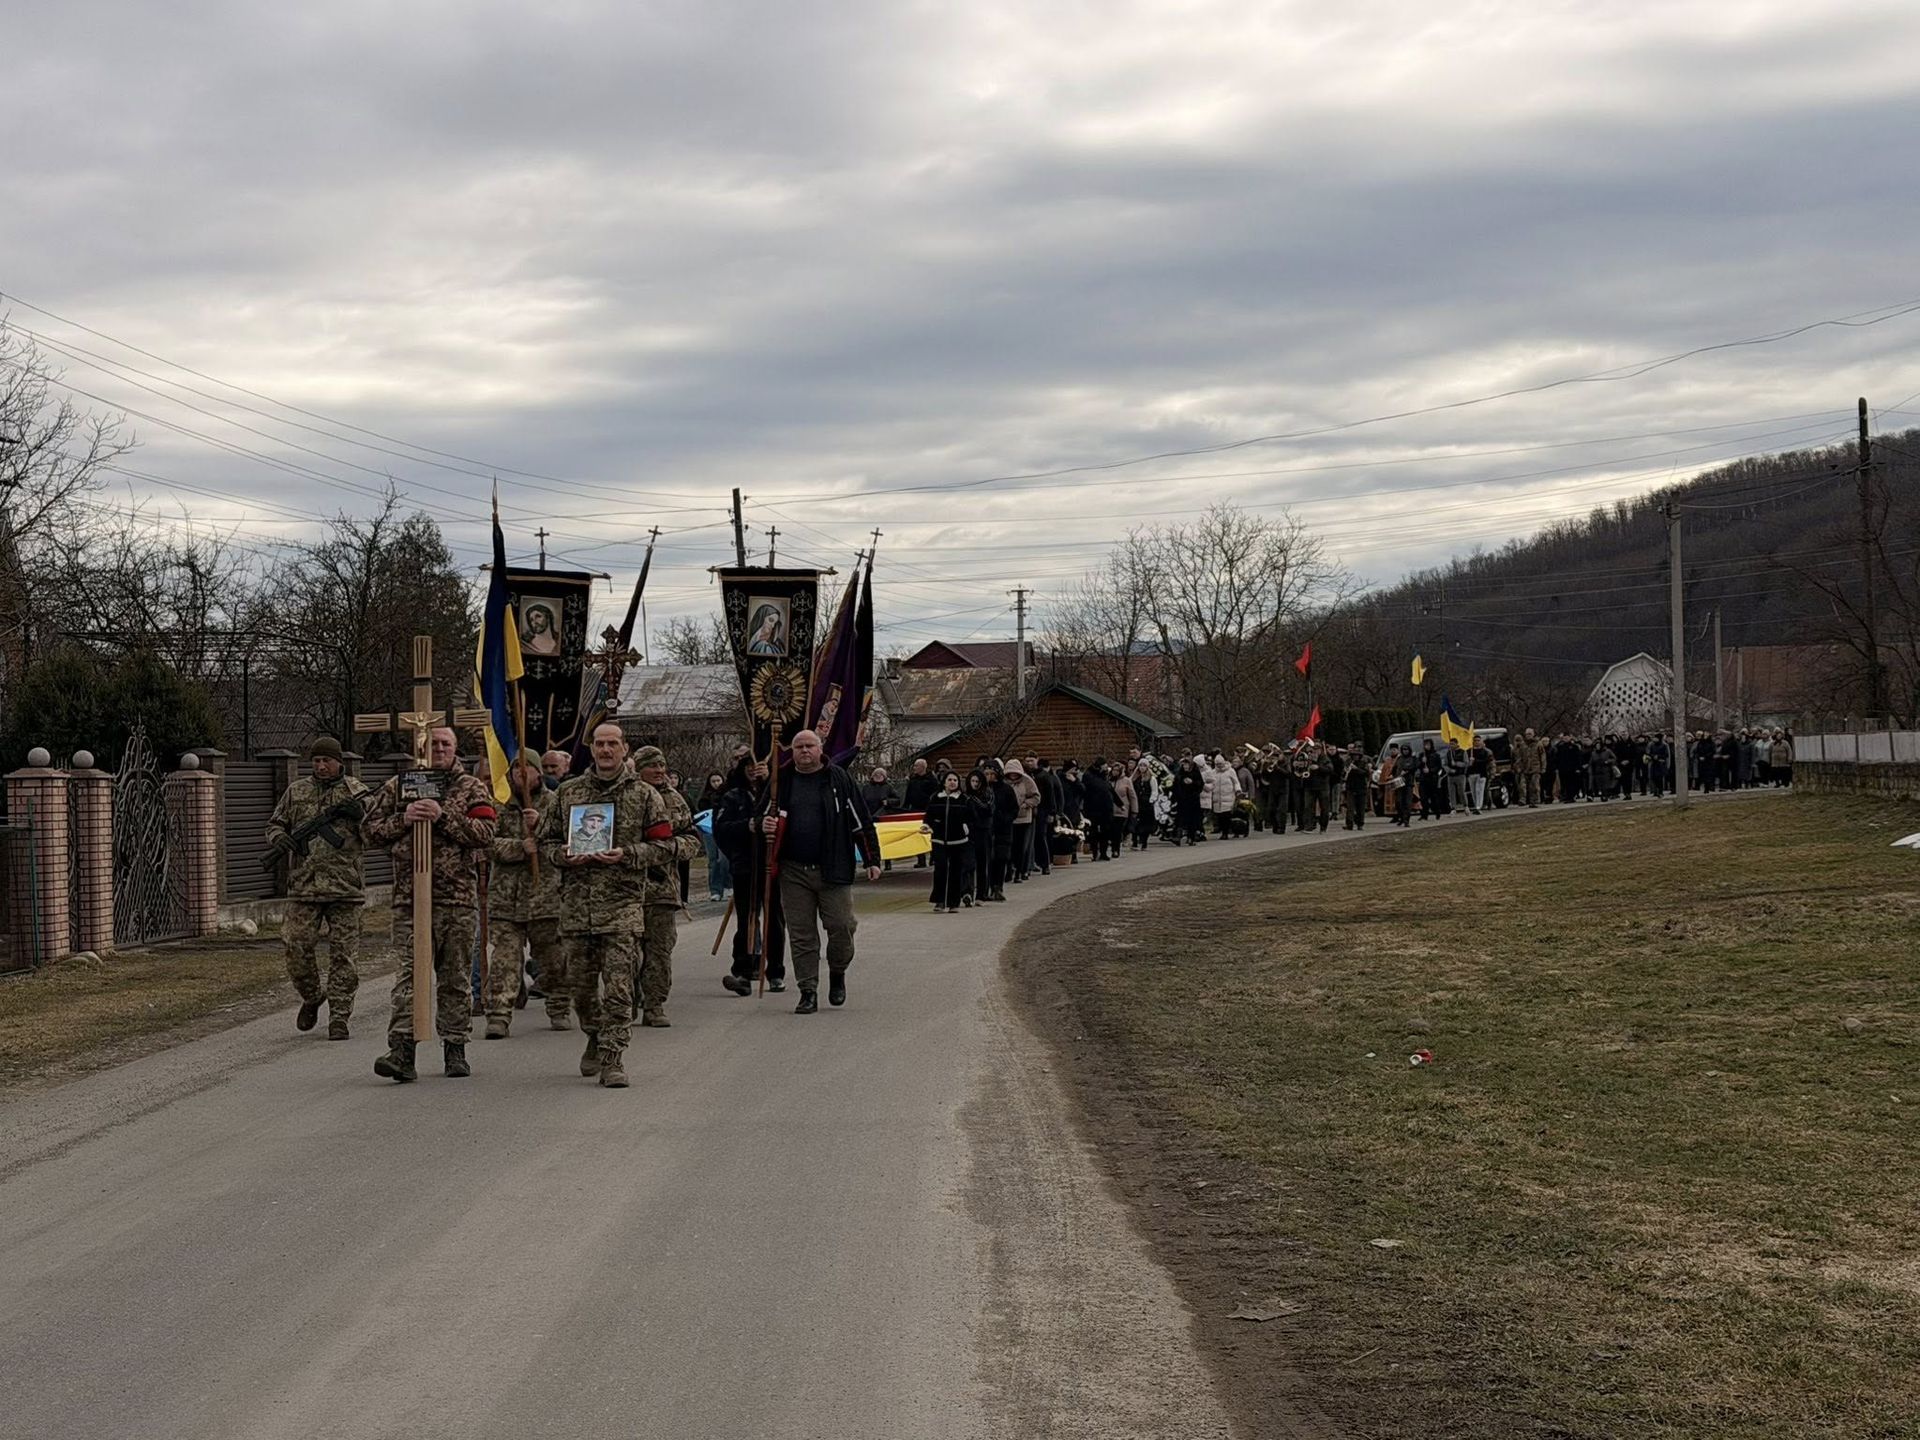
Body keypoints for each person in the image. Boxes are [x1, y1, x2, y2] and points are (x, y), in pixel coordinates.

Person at [540, 721, 678, 1088]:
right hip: (576, 909)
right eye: (599, 744)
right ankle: (594, 1035)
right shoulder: (568, 793)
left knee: (619, 987)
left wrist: (628, 854)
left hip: (623, 906)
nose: (605, 750)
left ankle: (614, 1057)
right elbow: (544, 843)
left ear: (624, 749)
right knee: (582, 991)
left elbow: (668, 845)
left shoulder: (645, 795)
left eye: (612, 744)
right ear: (592, 749)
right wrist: (564, 855)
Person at [363, 726, 498, 1083]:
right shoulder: (399, 785)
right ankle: (402, 1050)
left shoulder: (471, 787)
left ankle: (455, 1047)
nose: (439, 748)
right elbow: (368, 830)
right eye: (433, 743)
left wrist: (444, 816)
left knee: (453, 977)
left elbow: (485, 834)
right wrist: (401, 820)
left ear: (456, 748)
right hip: (410, 900)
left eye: (445, 743)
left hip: (456, 899)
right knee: (408, 976)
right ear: (420, 746)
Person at [762, 729, 882, 1014]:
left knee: (842, 926)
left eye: (809, 746)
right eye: (799, 746)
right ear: (792, 751)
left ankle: (837, 973)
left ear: (820, 748)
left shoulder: (838, 779)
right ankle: (808, 990)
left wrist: (872, 859)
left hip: (834, 867)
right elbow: (762, 814)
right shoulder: (782, 780)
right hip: (793, 870)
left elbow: (860, 821)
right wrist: (762, 824)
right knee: (802, 935)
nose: (804, 751)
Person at [265, 736, 370, 1041]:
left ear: (339, 762)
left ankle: (340, 1016)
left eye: (327, 761)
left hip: (345, 889)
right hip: (304, 887)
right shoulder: (296, 791)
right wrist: (278, 839)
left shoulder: (357, 792)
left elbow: (378, 833)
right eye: (316, 761)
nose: (321, 766)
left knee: (344, 957)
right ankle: (312, 996)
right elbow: (274, 824)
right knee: (295, 946)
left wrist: (360, 816)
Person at [482, 753, 564, 1037]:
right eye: (516, 767)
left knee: (553, 959)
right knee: (505, 960)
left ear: (539, 772)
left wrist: (540, 825)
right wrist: (519, 847)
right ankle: (498, 1015)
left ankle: (559, 1005)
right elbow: (485, 842)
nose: (522, 772)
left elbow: (569, 840)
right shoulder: (498, 803)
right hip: (505, 899)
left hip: (545, 897)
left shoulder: (555, 803)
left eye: (528, 767)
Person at [634, 746, 704, 1028]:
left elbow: (692, 839)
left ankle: (654, 1004)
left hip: (662, 889)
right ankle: (627, 1000)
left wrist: (670, 848)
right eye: (653, 766)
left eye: (662, 766)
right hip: (626, 888)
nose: (660, 771)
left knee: (659, 951)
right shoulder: (627, 796)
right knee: (626, 952)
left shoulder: (675, 800)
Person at [717, 754, 788, 996]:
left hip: (772, 865)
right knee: (747, 919)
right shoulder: (733, 796)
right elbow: (722, 829)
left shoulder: (777, 794)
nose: (753, 770)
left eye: (758, 765)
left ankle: (776, 971)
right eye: (749, 765)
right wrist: (748, 826)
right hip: (745, 865)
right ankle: (744, 971)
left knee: (775, 920)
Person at [925, 770, 974, 910]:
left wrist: (966, 828)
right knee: (940, 869)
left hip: (958, 841)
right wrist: (927, 825)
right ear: (944, 782)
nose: (952, 782)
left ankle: (953, 902)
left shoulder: (964, 799)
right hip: (939, 840)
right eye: (950, 780)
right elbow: (928, 815)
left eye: (955, 780)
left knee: (956, 871)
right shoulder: (935, 797)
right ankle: (939, 901)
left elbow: (971, 817)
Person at [981, 761, 1017, 900]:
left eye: (992, 774)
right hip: (986, 829)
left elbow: (1014, 808)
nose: (990, 777)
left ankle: (998, 887)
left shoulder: (1006, 789)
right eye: (987, 774)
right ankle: (988, 887)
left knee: (1001, 858)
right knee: (988, 859)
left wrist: (1005, 819)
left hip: (1003, 829)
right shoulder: (982, 790)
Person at [1003, 760, 1041, 882]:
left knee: (1021, 847)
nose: (1013, 775)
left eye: (1015, 773)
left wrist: (1027, 804)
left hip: (1023, 819)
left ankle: (1020, 871)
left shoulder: (1027, 781)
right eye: (1010, 773)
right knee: (1009, 847)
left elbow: (1036, 797)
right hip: (1009, 819)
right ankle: (1008, 871)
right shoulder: (1004, 783)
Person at [964, 768, 997, 902]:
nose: (975, 784)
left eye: (977, 781)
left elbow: (989, 810)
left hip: (984, 831)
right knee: (969, 863)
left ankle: (982, 893)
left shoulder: (988, 795)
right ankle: (968, 891)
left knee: (983, 863)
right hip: (970, 832)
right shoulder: (966, 797)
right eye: (972, 781)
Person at [698, 771, 731, 901]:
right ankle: (715, 889)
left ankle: (728, 885)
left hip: (724, 829)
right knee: (713, 860)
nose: (716, 783)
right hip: (709, 829)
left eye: (718, 780)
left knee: (724, 859)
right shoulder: (705, 798)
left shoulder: (728, 795)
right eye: (713, 781)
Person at [902, 758, 938, 869]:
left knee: (930, 834)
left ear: (922, 767)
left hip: (927, 811)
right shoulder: (913, 780)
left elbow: (935, 795)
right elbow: (908, 795)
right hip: (915, 810)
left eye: (916, 766)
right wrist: (905, 808)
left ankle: (933, 858)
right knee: (918, 835)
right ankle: (920, 859)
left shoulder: (931, 780)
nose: (914, 768)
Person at [1081, 756, 1118, 860]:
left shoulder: (1104, 776)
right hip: (1093, 808)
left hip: (1106, 808)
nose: (1107, 768)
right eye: (1105, 765)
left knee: (1105, 831)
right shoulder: (1088, 776)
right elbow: (1085, 791)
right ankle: (1095, 852)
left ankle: (1103, 852)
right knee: (1093, 832)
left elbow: (1110, 790)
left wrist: (1119, 803)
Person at [1172, 757, 1207, 844]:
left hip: (1193, 800)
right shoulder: (1180, 773)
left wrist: (1192, 783)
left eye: (1187, 764)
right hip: (1182, 800)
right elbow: (1175, 785)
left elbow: (1200, 784)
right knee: (1180, 819)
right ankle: (1178, 836)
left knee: (1192, 820)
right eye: (1184, 764)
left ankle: (1191, 837)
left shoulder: (1195, 773)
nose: (1185, 766)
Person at [1514, 728, 1546, 807]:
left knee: (1534, 785)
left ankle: (1534, 801)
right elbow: (1519, 757)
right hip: (1525, 769)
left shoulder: (1538, 744)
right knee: (1523, 786)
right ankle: (1523, 800)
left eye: (1530, 734)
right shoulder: (1523, 745)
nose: (1528, 736)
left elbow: (1543, 756)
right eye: (1527, 734)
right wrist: (1518, 767)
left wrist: (1543, 767)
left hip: (1535, 768)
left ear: (1533, 734)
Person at [1341, 743, 1370, 829]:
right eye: (1353, 755)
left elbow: (1366, 773)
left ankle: (1360, 824)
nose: (1355, 757)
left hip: (1361, 787)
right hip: (1350, 787)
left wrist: (1356, 769)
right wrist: (1345, 772)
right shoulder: (1348, 762)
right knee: (1350, 807)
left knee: (1360, 807)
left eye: (1357, 755)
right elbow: (1343, 774)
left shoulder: (1363, 763)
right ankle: (1349, 824)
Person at [1467, 735, 1493, 813]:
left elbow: (1486, 761)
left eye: (1478, 740)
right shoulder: (1469, 752)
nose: (1477, 742)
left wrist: (1475, 761)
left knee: (1479, 790)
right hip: (1471, 774)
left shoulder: (1485, 752)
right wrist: (1469, 763)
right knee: (1473, 791)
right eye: (1475, 740)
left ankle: (1479, 806)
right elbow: (1466, 763)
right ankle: (1476, 805)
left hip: (1481, 774)